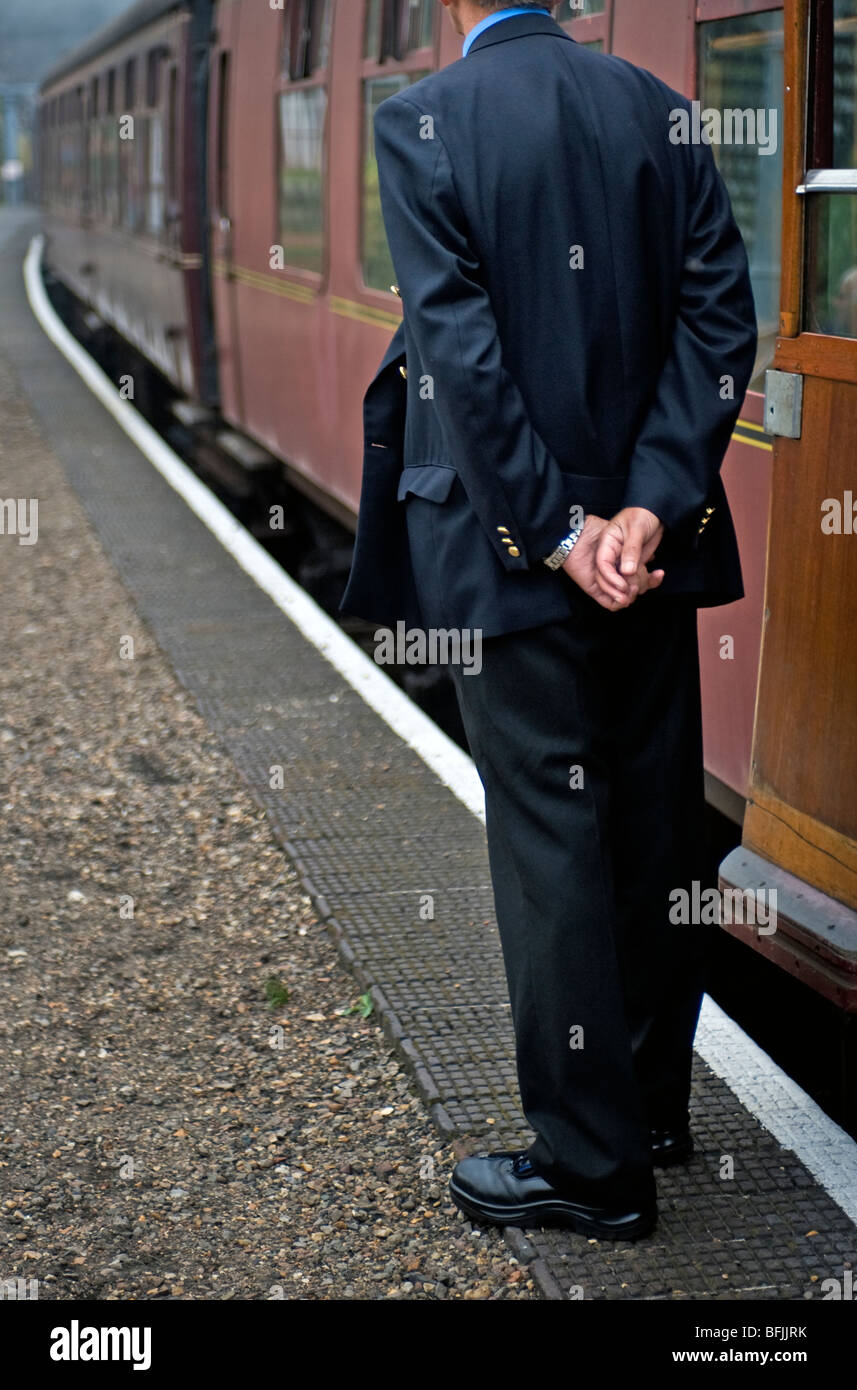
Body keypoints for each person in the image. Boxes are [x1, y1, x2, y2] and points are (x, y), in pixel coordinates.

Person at [340, 0, 757, 1240]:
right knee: (649, 823)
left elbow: (461, 356)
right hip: (648, 553)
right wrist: (644, 507)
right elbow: (718, 327)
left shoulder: (421, 121)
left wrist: (556, 532)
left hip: (505, 559)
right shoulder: (661, 112)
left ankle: (588, 1163)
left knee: (551, 847)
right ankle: (651, 1108)